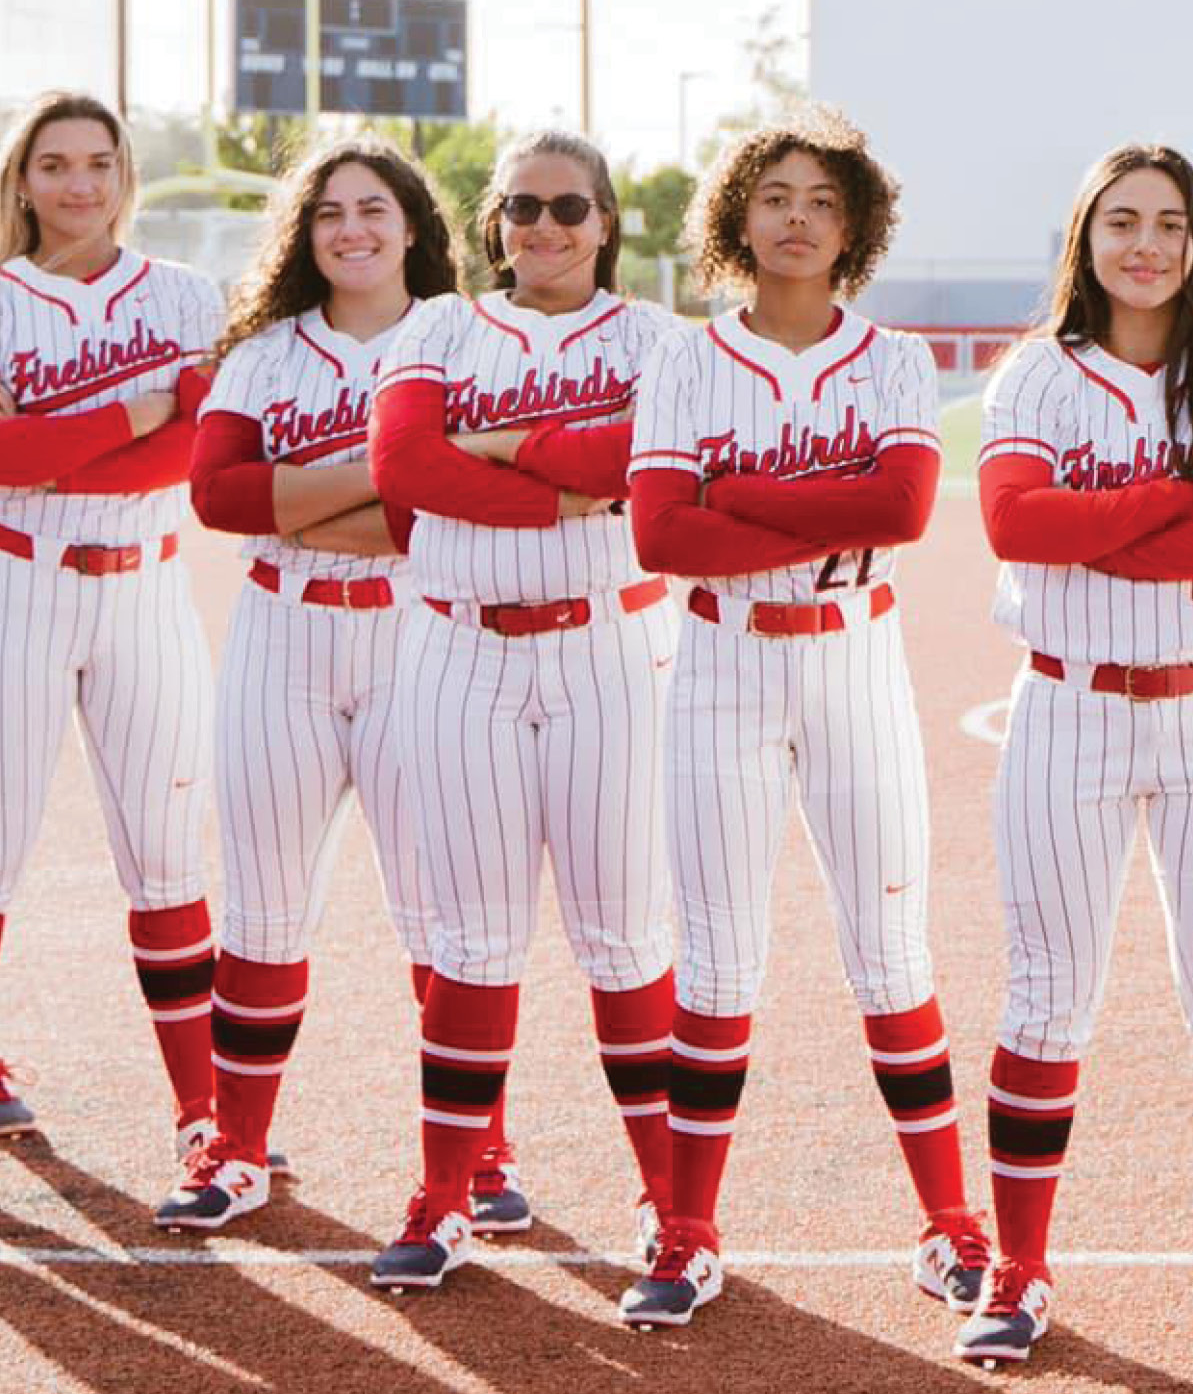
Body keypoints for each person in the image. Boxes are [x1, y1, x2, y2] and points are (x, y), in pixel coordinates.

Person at [620, 112, 991, 1328]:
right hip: (721, 662)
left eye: (819, 202)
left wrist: (744, 490)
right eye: (773, 196)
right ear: (739, 216)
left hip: (852, 662)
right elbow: (663, 536)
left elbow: (900, 511)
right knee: (718, 956)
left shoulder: (891, 358)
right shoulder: (685, 357)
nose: (793, 217)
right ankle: (684, 1230)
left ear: (853, 228)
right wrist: (813, 504)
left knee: (890, 953)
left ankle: (950, 1224)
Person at [960, 143, 1193, 1368]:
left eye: (1168, 223)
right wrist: (1171, 506)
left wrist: (1103, 530)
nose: (1145, 244)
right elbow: (1014, 523)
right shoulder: (1035, 378)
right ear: (1085, 240)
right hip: (1068, 707)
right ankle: (1017, 1265)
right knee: (1046, 996)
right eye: (1121, 222)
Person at [363, 131, 684, 1295]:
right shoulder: (439, 327)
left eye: (568, 206)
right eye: (522, 207)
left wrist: (499, 448)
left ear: (606, 222)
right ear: (493, 222)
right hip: (460, 650)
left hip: (609, 648)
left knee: (624, 939)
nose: (544, 227)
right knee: (471, 940)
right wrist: (568, 480)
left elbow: (653, 465)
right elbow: (405, 468)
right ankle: (445, 1196)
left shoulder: (657, 338)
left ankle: (671, 1206)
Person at [164, 141, 461, 1229]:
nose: (352, 230)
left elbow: (453, 506)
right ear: (305, 234)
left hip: (418, 642)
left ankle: (478, 1155)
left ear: (415, 225)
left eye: (373, 209)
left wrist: (303, 496)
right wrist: (386, 480)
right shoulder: (265, 355)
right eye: (328, 212)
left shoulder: (463, 342)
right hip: (282, 637)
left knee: (443, 916)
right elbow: (219, 498)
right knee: (262, 903)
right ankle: (236, 1149)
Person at [0, 90, 222, 1153]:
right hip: (19, 586)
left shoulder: (184, 296)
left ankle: (204, 1106)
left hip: (147, 589)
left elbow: (203, 452)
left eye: (99, 162)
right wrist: (142, 408)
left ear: (126, 175)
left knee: (170, 854)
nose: (78, 184)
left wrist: (59, 439)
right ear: (23, 178)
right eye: (55, 164)